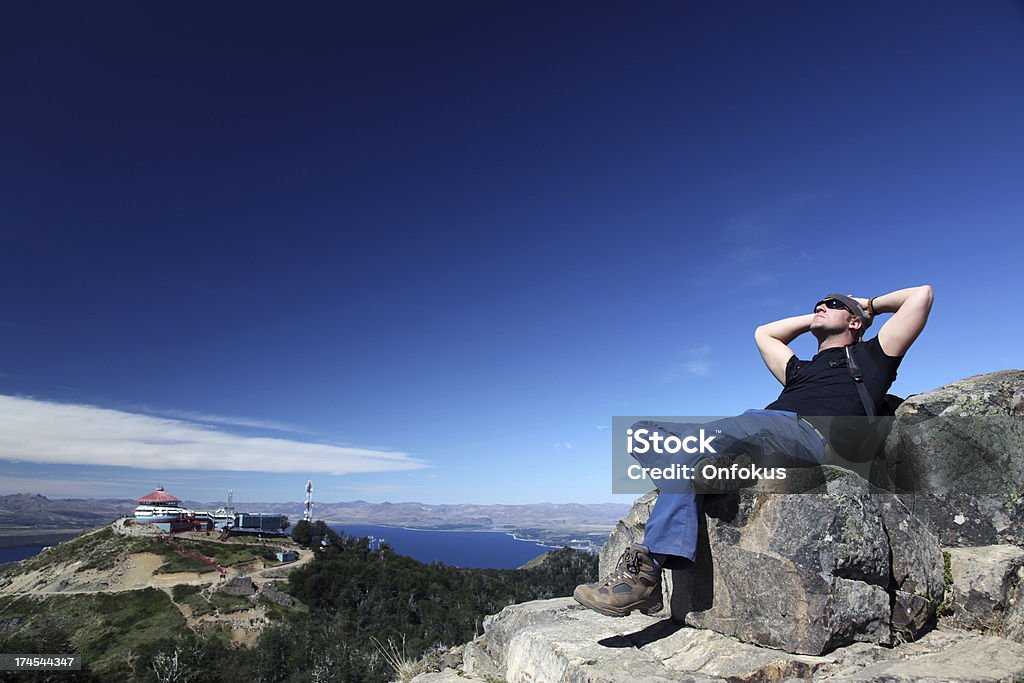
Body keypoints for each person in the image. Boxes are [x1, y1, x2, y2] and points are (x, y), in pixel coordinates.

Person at [573, 285, 934, 617]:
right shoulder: (800, 370)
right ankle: (713, 469)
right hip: (764, 429)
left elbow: (921, 295)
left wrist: (866, 306)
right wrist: (819, 318)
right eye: (817, 304)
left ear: (855, 322)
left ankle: (647, 571)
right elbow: (764, 332)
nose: (821, 306)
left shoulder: (872, 358)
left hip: (808, 435)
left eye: (832, 304)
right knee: (641, 433)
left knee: (717, 432)